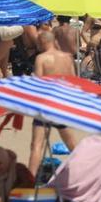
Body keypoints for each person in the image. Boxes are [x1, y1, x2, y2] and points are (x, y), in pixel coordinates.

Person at [29, 29, 78, 173]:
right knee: (71, 143)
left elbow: (39, 83)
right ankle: (84, 171)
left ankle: (29, 179)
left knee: (37, 145)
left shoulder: (41, 58)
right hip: (61, 103)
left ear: (43, 42)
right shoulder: (67, 58)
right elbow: (73, 82)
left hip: (46, 105)